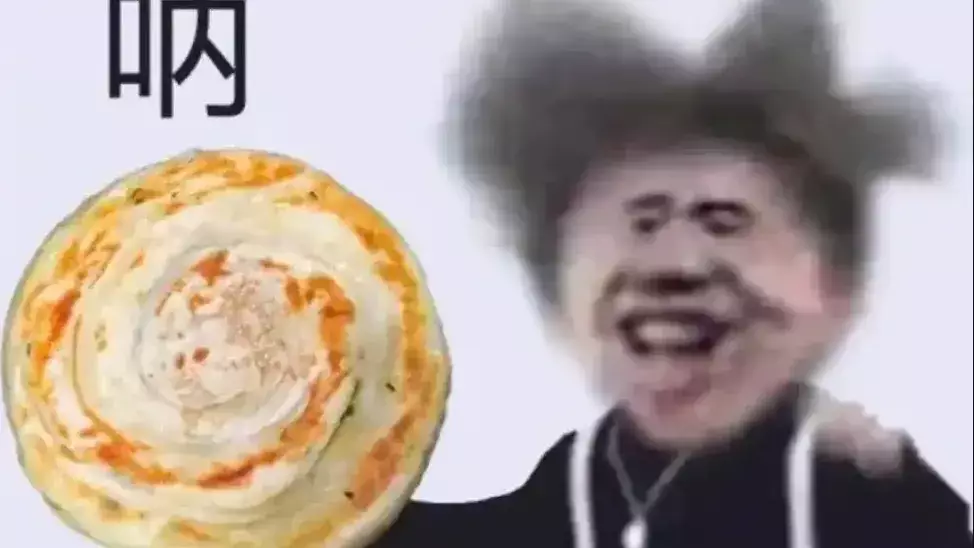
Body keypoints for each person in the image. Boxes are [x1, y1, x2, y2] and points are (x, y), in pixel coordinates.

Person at [375, 0, 971, 546]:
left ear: (833, 290)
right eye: (642, 222)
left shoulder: (874, 502)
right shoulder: (581, 480)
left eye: (725, 221)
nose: (677, 264)